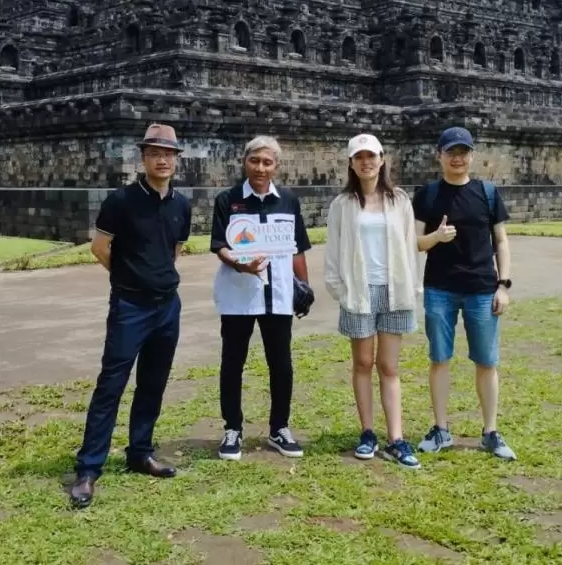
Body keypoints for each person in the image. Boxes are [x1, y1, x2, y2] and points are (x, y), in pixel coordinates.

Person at [69, 123, 193, 509]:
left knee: (153, 382)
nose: (162, 159)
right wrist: (127, 278)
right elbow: (99, 247)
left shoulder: (181, 204)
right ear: (143, 157)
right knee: (112, 384)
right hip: (130, 306)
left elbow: (173, 251)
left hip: (167, 305)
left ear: (176, 159)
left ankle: (140, 451)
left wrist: (157, 280)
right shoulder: (121, 201)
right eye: (155, 152)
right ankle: (89, 468)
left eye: (169, 154)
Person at [412, 126, 516, 461]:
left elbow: (500, 241)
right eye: (451, 152)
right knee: (439, 359)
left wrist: (504, 285)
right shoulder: (427, 194)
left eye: (463, 152)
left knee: (487, 361)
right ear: (439, 155)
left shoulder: (486, 192)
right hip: (440, 288)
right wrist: (437, 237)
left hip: (482, 289)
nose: (457, 158)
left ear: (472, 156)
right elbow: (415, 243)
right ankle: (441, 428)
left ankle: (490, 431)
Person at [209, 135, 312, 461]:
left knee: (281, 364)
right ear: (245, 162)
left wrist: (304, 287)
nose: (261, 168)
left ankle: (279, 428)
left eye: (267, 162)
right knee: (233, 362)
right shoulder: (228, 200)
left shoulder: (288, 201)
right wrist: (241, 264)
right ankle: (232, 429)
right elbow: (219, 245)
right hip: (239, 295)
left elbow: (298, 248)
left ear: (276, 166)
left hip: (278, 295)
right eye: (255, 161)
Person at [324, 133, 422, 468]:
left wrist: (413, 286)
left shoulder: (400, 201)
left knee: (389, 366)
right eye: (359, 157)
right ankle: (367, 431)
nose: (366, 162)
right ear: (351, 163)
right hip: (359, 290)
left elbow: (410, 246)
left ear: (382, 159)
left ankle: (396, 437)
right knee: (363, 363)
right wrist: (340, 290)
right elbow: (333, 253)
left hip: (393, 289)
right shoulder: (342, 205)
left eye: (372, 156)